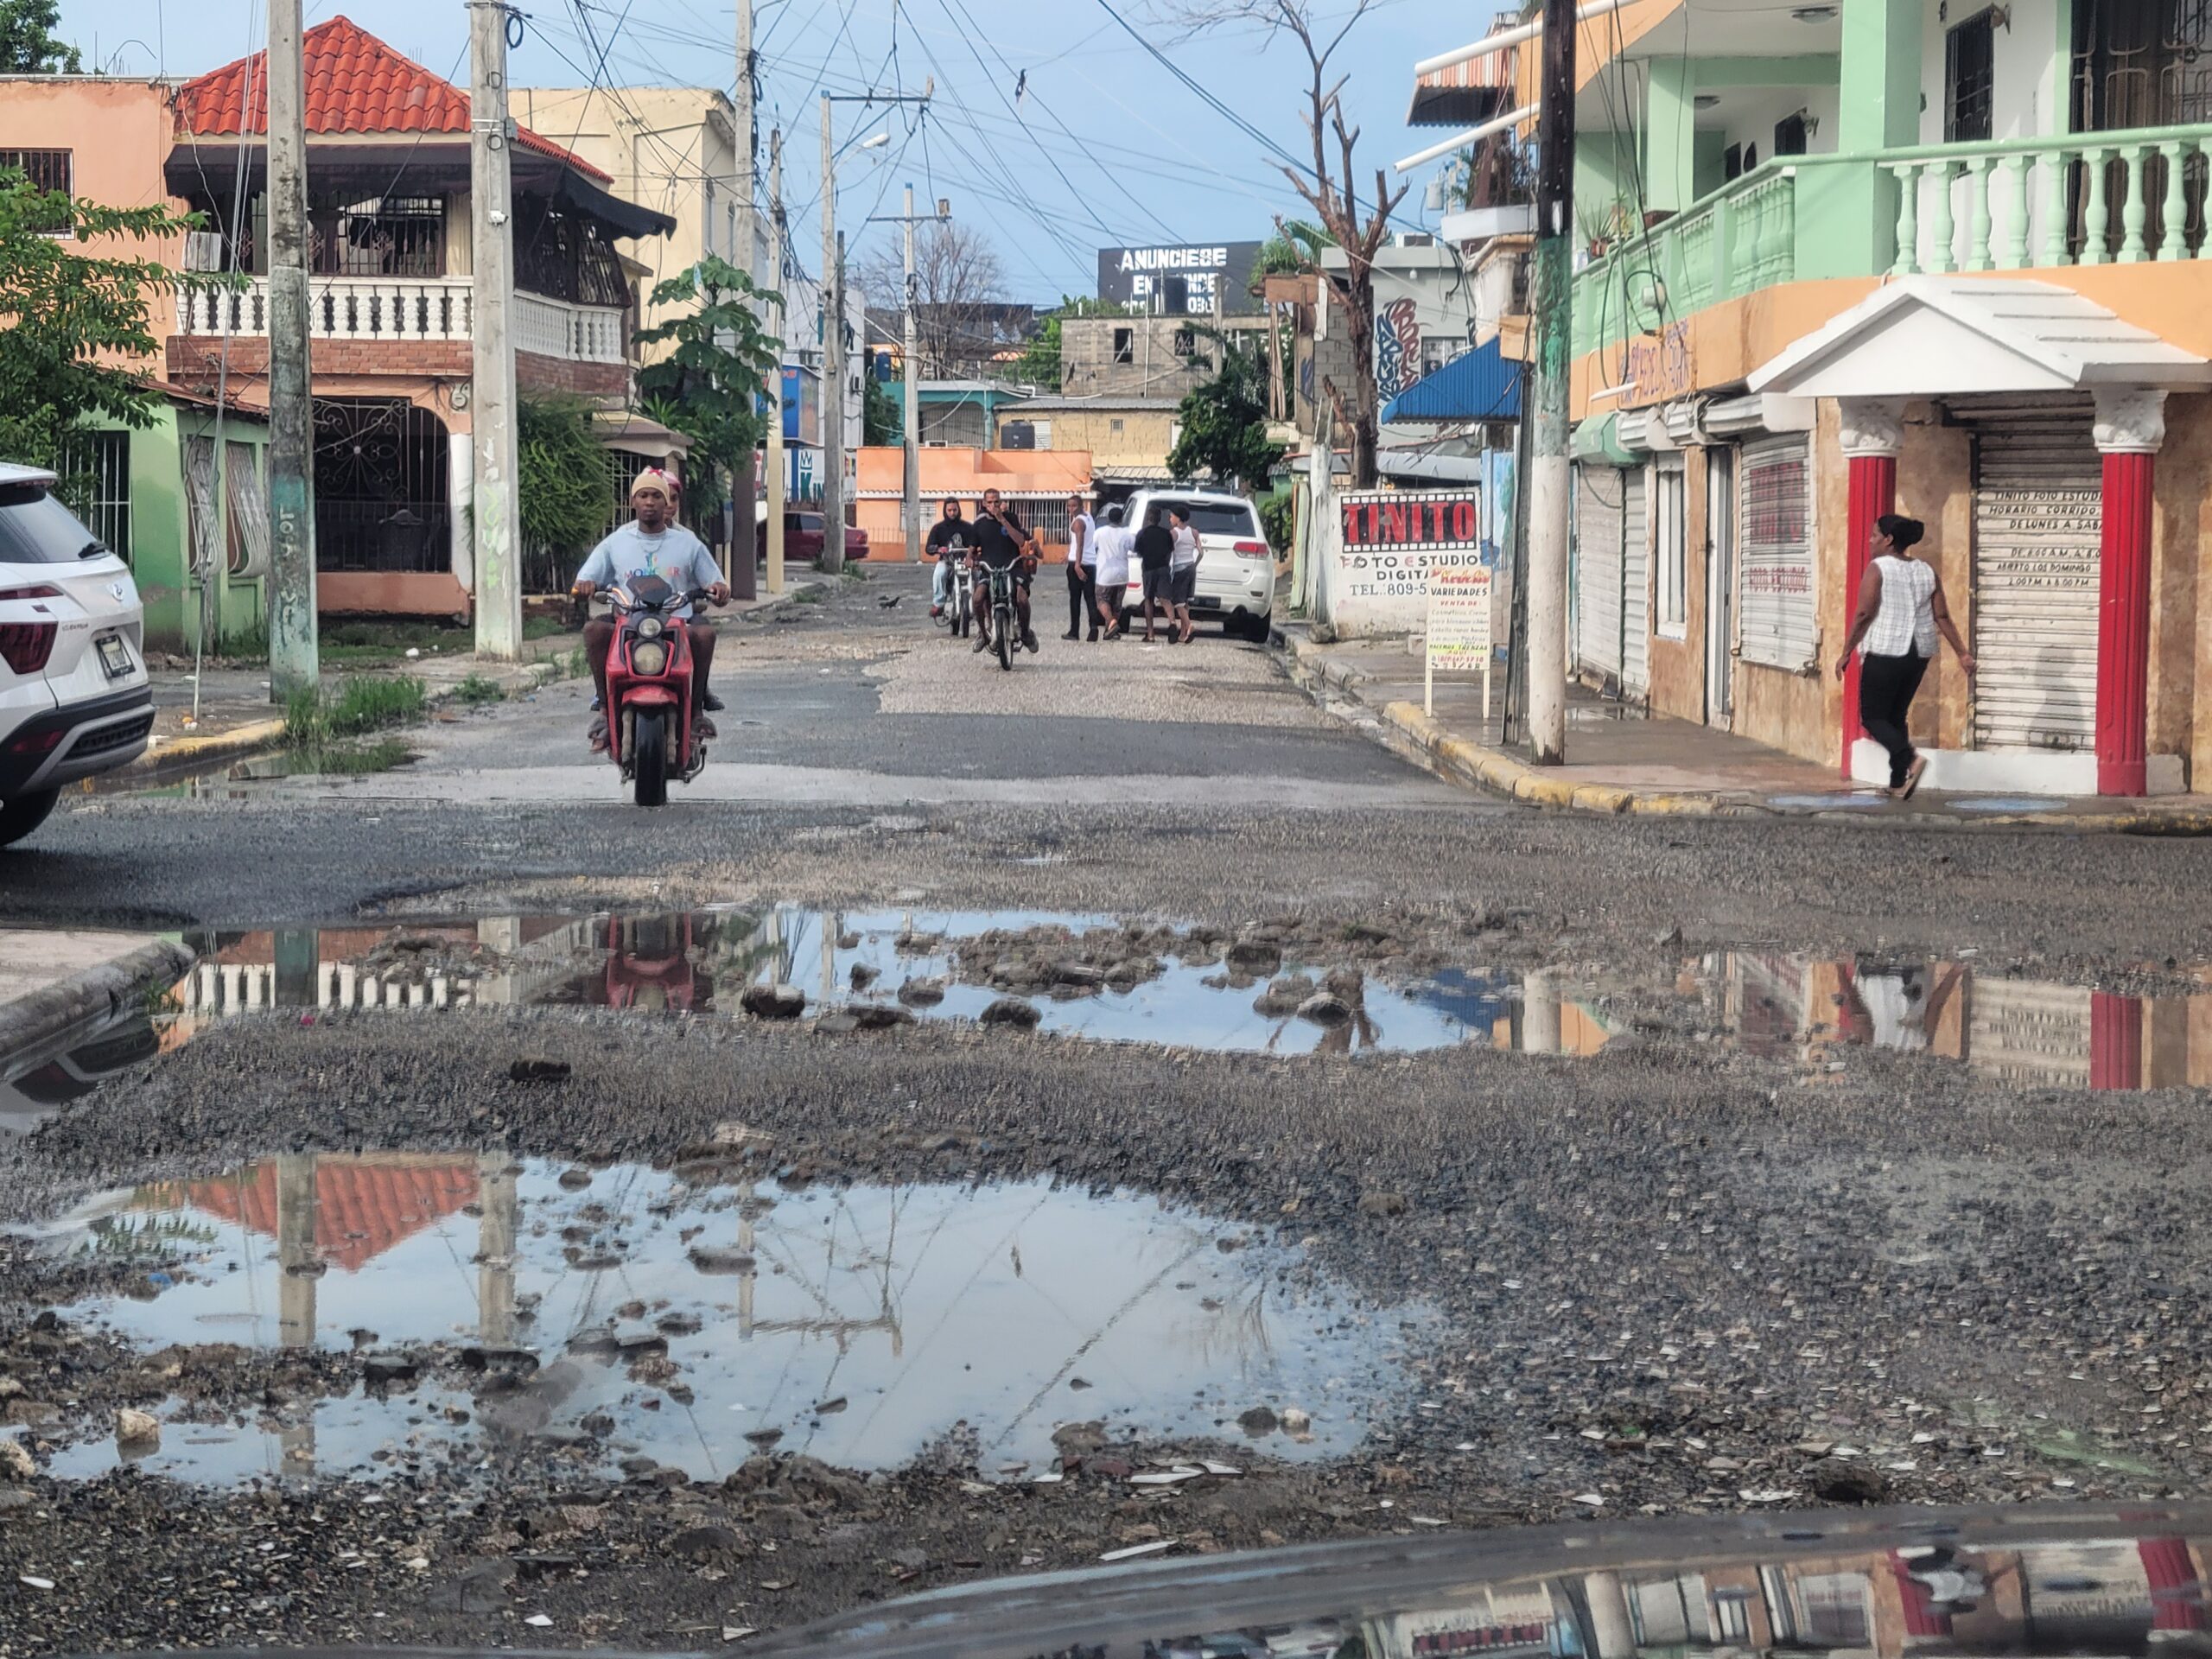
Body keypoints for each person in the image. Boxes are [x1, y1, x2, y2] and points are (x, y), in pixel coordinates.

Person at [575, 468, 728, 753]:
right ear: (633, 501)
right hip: (628, 620)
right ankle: (605, 712)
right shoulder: (615, 542)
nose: (649, 502)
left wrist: (719, 589)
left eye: (656, 495)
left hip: (675, 622)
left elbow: (715, 581)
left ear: (666, 501)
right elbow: (588, 576)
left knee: (705, 634)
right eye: (643, 495)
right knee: (594, 630)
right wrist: (585, 584)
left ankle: (695, 713)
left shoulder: (688, 544)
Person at [1834, 512, 1974, 800]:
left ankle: (1908, 759)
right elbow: (1942, 615)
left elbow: (1864, 613)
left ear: (1889, 540)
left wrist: (1846, 651)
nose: (1870, 540)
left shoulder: (1878, 568)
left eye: (1874, 535)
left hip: (1886, 649)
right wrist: (1962, 653)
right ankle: (1898, 780)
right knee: (1895, 716)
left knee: (1872, 717)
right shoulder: (1926, 570)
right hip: (1918, 654)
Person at [969, 486, 1039, 654]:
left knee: (1022, 598)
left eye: (996, 501)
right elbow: (972, 547)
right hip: (989, 569)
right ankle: (982, 634)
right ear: (984, 504)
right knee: (978, 598)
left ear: (1001, 502)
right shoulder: (979, 523)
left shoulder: (1011, 518)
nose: (993, 505)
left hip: (1012, 567)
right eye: (990, 502)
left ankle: (1025, 633)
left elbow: (1021, 541)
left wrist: (1002, 520)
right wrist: (969, 558)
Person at [1134, 505, 1175, 644]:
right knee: (1165, 599)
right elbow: (1170, 551)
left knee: (1149, 599)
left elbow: (1138, 552)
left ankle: (1150, 634)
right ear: (1159, 519)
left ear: (1148, 518)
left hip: (1149, 568)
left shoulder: (1142, 533)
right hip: (1163, 568)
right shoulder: (1166, 533)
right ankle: (1173, 622)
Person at [924, 497, 972, 618]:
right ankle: (938, 604)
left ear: (958, 509)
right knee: (939, 574)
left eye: (954, 510)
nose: (952, 513)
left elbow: (975, 542)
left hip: (965, 562)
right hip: (947, 562)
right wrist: (938, 549)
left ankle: (978, 605)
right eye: (949, 510)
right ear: (945, 510)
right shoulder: (938, 528)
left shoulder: (968, 527)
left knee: (979, 577)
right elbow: (929, 547)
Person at [1091, 504, 1131, 639]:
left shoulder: (1100, 532)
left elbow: (1092, 547)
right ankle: (1111, 631)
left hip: (1105, 573)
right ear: (1121, 519)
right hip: (1122, 574)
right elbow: (1133, 547)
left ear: (1108, 518)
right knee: (1116, 604)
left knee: (1102, 600)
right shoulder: (1127, 533)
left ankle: (1112, 622)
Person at [1063, 493, 1098, 641]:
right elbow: (1076, 543)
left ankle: (1074, 630)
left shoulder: (1078, 522)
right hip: (1091, 562)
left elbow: (1080, 542)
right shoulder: (1088, 517)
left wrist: (1077, 564)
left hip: (1079, 563)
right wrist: (1068, 554)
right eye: (1069, 506)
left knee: (1075, 598)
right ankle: (1093, 628)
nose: (1071, 509)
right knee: (1090, 597)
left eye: (1074, 506)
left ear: (1081, 506)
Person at [1167, 504, 1203, 645]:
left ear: (1177, 518)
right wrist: (1195, 564)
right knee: (1186, 601)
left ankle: (1188, 625)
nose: (1170, 519)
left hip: (1179, 569)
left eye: (1171, 516)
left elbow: (1168, 551)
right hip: (1191, 568)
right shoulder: (1194, 532)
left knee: (1177, 602)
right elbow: (1201, 552)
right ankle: (1183, 634)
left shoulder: (1174, 533)